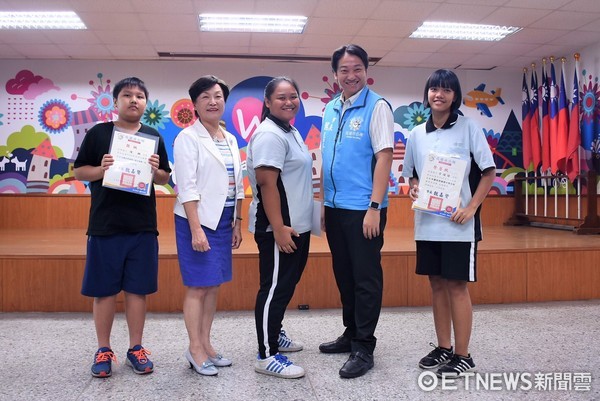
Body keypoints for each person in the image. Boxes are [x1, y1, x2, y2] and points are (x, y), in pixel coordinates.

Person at [74, 77, 171, 378]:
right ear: (116, 102)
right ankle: (103, 349)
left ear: (146, 103)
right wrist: (101, 169)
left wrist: (156, 171)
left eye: (140, 96)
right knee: (103, 292)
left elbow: (165, 177)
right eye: (127, 95)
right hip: (105, 225)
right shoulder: (99, 133)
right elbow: (80, 171)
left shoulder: (153, 135)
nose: (133, 100)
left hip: (142, 226)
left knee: (137, 291)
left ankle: (136, 348)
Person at [402, 69, 495, 377]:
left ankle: (463, 354)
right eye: (433, 89)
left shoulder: (469, 128)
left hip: (459, 225)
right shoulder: (417, 134)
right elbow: (413, 175)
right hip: (427, 222)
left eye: (445, 90)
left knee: (456, 285)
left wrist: (471, 207)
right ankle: (443, 347)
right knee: (436, 284)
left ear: (455, 96)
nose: (438, 94)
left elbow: (488, 172)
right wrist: (414, 186)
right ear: (427, 93)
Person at [319, 44, 394, 379]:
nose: (351, 76)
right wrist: (323, 204)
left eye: (357, 69)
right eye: (344, 70)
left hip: (364, 209)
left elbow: (384, 157)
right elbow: (326, 161)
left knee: (365, 279)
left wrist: (374, 207)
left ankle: (364, 347)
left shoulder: (377, 107)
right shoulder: (332, 108)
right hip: (335, 208)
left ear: (366, 71)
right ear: (335, 74)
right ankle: (351, 333)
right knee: (344, 276)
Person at [173, 75, 244, 376]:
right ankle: (194, 348)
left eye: (217, 96)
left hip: (225, 219)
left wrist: (237, 221)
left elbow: (237, 185)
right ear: (195, 105)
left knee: (213, 285)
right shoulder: (187, 138)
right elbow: (186, 187)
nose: (213, 101)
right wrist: (196, 229)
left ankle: (207, 343)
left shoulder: (229, 139)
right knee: (198, 287)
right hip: (198, 220)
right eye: (205, 97)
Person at [246, 77, 313, 379]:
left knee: (285, 286)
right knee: (273, 289)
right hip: (279, 228)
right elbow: (267, 183)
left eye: (294, 96)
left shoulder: (291, 130)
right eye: (281, 97)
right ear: (268, 102)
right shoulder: (270, 134)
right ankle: (267, 354)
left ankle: (275, 332)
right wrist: (279, 228)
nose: (289, 102)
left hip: (296, 226)